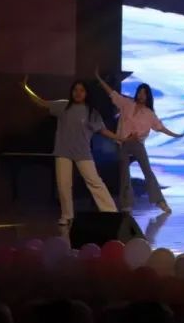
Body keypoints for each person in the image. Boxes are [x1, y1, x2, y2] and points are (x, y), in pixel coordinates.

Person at [22, 76, 121, 226]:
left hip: (83, 153)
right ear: (72, 92)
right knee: (64, 185)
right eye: (75, 90)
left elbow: (103, 131)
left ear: (86, 93)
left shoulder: (91, 112)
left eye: (82, 90)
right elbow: (41, 102)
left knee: (95, 183)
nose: (78, 93)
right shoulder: (63, 106)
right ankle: (67, 216)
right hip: (63, 152)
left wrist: (121, 138)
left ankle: (110, 212)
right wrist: (25, 88)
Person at [94, 69, 184, 214]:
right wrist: (99, 79)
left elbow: (160, 128)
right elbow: (112, 93)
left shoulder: (149, 114)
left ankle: (160, 202)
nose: (141, 95)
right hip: (124, 143)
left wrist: (176, 135)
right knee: (124, 174)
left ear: (148, 96)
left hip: (138, 144)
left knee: (147, 172)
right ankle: (126, 204)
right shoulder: (127, 104)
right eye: (140, 92)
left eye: (144, 93)